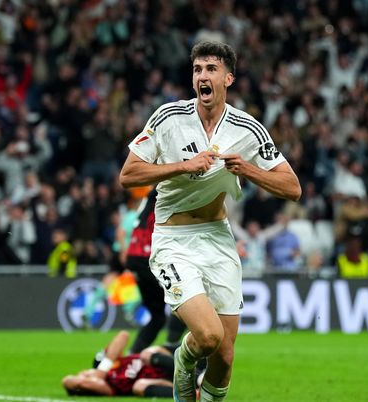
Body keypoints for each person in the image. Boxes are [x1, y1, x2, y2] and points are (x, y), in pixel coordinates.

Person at [119, 41, 301, 402]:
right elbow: (128, 175)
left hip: (217, 238)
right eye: (197, 69)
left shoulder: (247, 129)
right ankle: (182, 361)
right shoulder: (168, 118)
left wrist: (246, 168)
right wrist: (183, 166)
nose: (202, 76)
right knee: (206, 337)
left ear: (228, 78)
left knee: (225, 355)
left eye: (211, 69)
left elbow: (292, 187)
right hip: (173, 239)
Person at [126, 187, 186, 353]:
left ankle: (132, 358)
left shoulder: (149, 200)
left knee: (158, 316)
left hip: (136, 259)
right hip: (149, 259)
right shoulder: (164, 194)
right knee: (185, 300)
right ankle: (168, 350)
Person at [61, 330, 175, 397]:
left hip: (166, 363)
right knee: (139, 386)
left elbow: (123, 335)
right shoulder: (109, 386)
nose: (84, 373)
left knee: (147, 353)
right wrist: (92, 377)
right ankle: (188, 391)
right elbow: (68, 381)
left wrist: (102, 370)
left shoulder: (118, 361)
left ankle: (188, 368)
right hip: (163, 380)